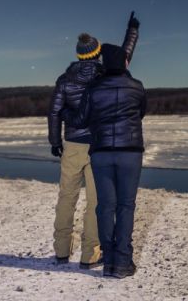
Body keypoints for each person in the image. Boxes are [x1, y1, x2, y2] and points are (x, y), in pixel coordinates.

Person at [48, 12, 139, 268]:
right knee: (96, 202)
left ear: (79, 55)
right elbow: (125, 54)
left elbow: (54, 111)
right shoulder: (105, 76)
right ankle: (90, 254)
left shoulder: (65, 80)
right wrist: (132, 31)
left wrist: (55, 141)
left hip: (73, 146)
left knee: (66, 196)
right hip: (99, 147)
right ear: (98, 53)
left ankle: (61, 251)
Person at [70, 38, 147, 279]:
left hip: (102, 153)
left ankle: (110, 261)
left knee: (105, 207)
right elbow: (141, 113)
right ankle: (123, 262)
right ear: (123, 63)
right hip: (130, 153)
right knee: (126, 206)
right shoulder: (136, 86)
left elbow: (80, 120)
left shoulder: (94, 88)